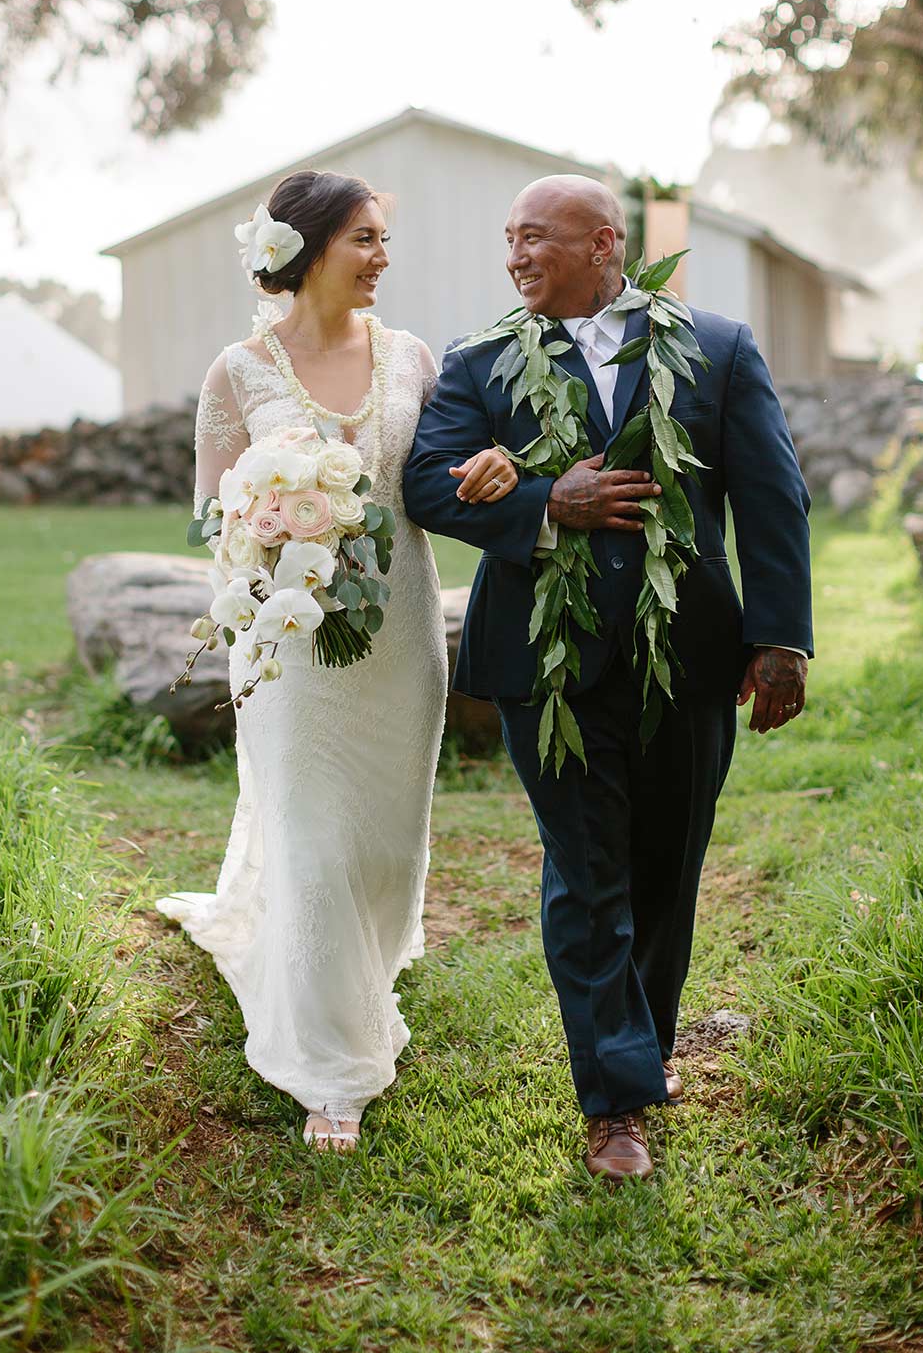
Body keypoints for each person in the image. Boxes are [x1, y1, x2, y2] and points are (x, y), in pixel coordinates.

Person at [403, 175, 813, 1184]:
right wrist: (547, 502)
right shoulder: (481, 359)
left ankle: (648, 1049)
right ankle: (616, 1103)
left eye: (535, 237)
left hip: (693, 656)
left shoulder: (715, 347)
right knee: (588, 876)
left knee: (666, 868)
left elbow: (771, 496)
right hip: (550, 664)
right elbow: (425, 481)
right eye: (507, 239)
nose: (514, 256)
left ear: (603, 243)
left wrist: (782, 640)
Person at [155, 170, 517, 1154]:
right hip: (291, 645)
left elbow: (445, 478)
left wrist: (493, 474)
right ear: (307, 248)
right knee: (314, 844)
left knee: (386, 840)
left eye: (382, 241)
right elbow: (206, 514)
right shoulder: (238, 372)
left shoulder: (411, 360)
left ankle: (371, 956)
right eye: (364, 239)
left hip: (399, 629)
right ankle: (329, 1070)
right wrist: (264, 534)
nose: (382, 258)